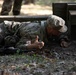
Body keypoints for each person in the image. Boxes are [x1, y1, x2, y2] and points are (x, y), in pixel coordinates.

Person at [0, 15, 70, 51]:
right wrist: (32, 46)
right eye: (58, 31)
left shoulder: (46, 25)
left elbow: (56, 34)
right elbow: (19, 46)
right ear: (50, 29)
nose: (59, 33)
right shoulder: (35, 33)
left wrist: (62, 39)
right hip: (3, 31)